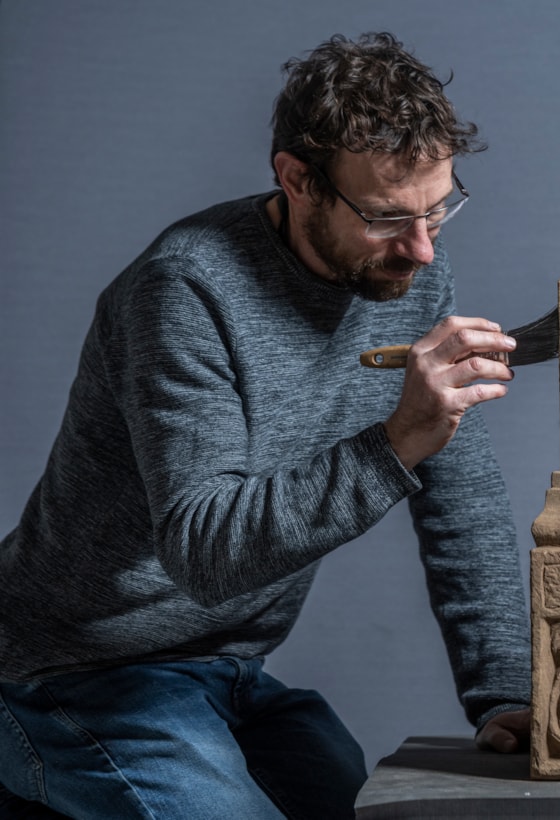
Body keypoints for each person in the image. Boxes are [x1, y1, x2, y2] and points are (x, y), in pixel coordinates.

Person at [0, 32, 531, 819]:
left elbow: (464, 505)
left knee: (374, 808)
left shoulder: (409, 272)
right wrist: (394, 445)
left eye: (439, 209)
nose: (420, 250)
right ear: (297, 179)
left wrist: (504, 696)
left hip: (230, 668)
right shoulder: (183, 291)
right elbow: (204, 550)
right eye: (387, 218)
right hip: (69, 670)